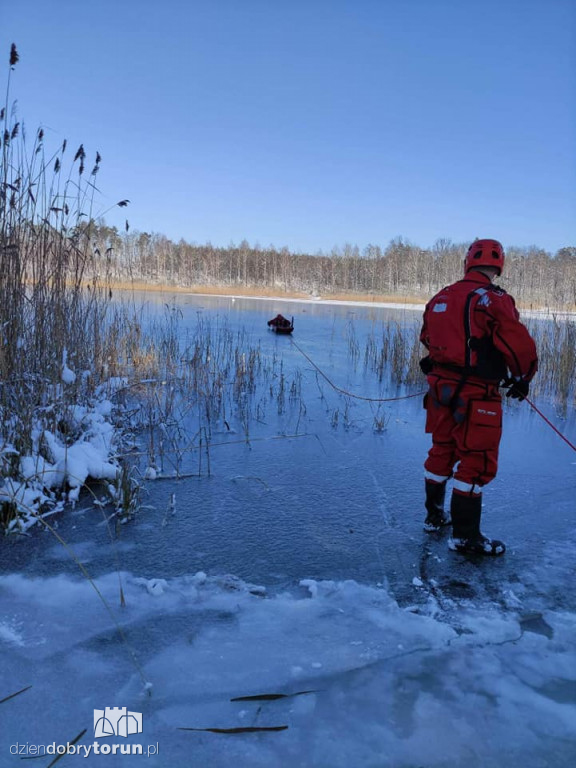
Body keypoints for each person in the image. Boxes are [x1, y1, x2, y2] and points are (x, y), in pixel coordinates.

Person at [420, 238, 538, 555]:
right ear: (498, 266)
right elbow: (519, 345)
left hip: (441, 389)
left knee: (442, 450)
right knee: (476, 461)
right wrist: (523, 376)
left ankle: (434, 518)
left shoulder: (441, 296)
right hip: (475, 394)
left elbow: (427, 337)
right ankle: (465, 537)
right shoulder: (492, 299)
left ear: (467, 263)